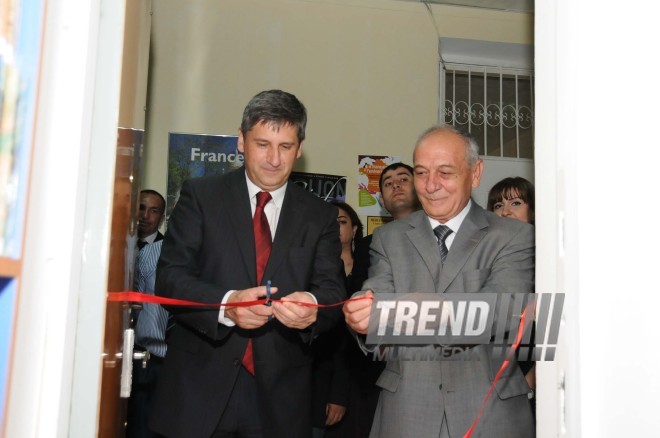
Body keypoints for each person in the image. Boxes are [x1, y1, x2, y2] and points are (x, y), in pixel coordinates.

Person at [149, 90, 346, 438]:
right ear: (241, 141)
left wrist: (313, 306)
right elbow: (170, 278)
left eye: (285, 146)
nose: (273, 158)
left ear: (300, 148)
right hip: (199, 389)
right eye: (262, 144)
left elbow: (332, 291)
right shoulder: (201, 196)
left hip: (280, 398)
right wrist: (227, 304)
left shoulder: (320, 215)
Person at [343, 126, 535, 437]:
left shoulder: (514, 235)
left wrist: (428, 310)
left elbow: (502, 310)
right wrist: (364, 318)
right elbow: (377, 298)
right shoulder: (389, 238)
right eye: (421, 173)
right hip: (406, 412)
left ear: (475, 173)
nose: (431, 186)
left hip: (490, 413)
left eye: (445, 172)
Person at [341, 162, 420, 438]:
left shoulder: (442, 237)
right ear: (383, 201)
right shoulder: (369, 244)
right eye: (387, 183)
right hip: (377, 366)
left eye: (403, 179)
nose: (395, 185)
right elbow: (360, 300)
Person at [311, 201, 362, 437]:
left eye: (342, 222)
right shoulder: (312, 271)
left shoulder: (371, 266)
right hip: (320, 375)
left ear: (354, 230)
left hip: (363, 379)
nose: (336, 227)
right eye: (330, 223)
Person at [487, 176, 537, 411]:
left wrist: (533, 378)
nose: (505, 212)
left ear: (534, 211)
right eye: (498, 206)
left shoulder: (550, 258)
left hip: (535, 378)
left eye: (515, 203)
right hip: (492, 377)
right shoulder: (484, 259)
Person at [127, 189, 168, 438]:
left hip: (152, 354)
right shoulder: (114, 247)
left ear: (161, 217)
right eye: (141, 208)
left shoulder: (168, 253)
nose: (145, 215)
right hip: (116, 350)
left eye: (153, 211)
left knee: (144, 424)